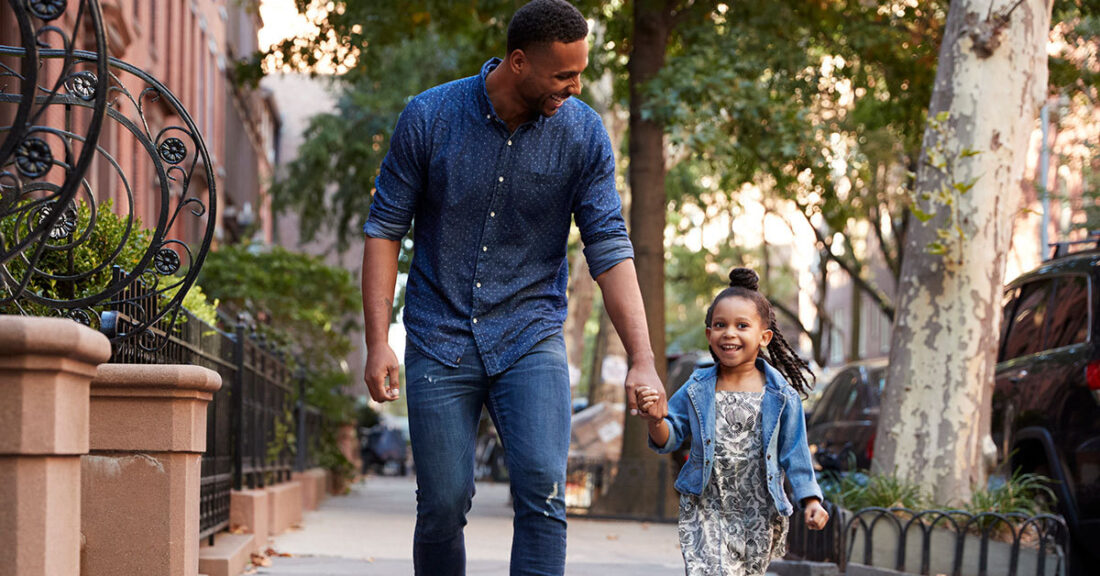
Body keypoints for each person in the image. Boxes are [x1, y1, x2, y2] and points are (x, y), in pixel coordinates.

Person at [360, 1, 666, 574]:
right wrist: (379, 341)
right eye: (563, 75)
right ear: (519, 62)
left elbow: (610, 247)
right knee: (443, 506)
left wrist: (643, 359)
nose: (575, 87)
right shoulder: (430, 117)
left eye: (581, 73)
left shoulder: (583, 135)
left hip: (530, 334)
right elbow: (384, 230)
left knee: (544, 492)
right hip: (439, 334)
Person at [636, 268, 828, 576]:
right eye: (720, 325)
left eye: (742, 325)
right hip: (706, 507)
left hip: (759, 514)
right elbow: (669, 437)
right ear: (709, 333)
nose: (729, 333)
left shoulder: (781, 395)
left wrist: (811, 501)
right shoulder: (697, 387)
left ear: (764, 336)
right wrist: (655, 419)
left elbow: (796, 454)